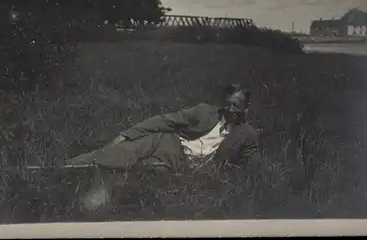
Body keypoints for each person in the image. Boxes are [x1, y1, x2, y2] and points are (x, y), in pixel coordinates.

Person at [64, 84, 261, 213]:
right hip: (169, 144)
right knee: (124, 150)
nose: (231, 110)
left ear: (246, 107)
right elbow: (165, 120)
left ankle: (102, 187)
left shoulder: (248, 135)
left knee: (142, 173)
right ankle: (64, 168)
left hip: (184, 167)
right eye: (228, 105)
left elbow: (246, 169)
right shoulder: (205, 111)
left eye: (236, 106)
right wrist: (128, 134)